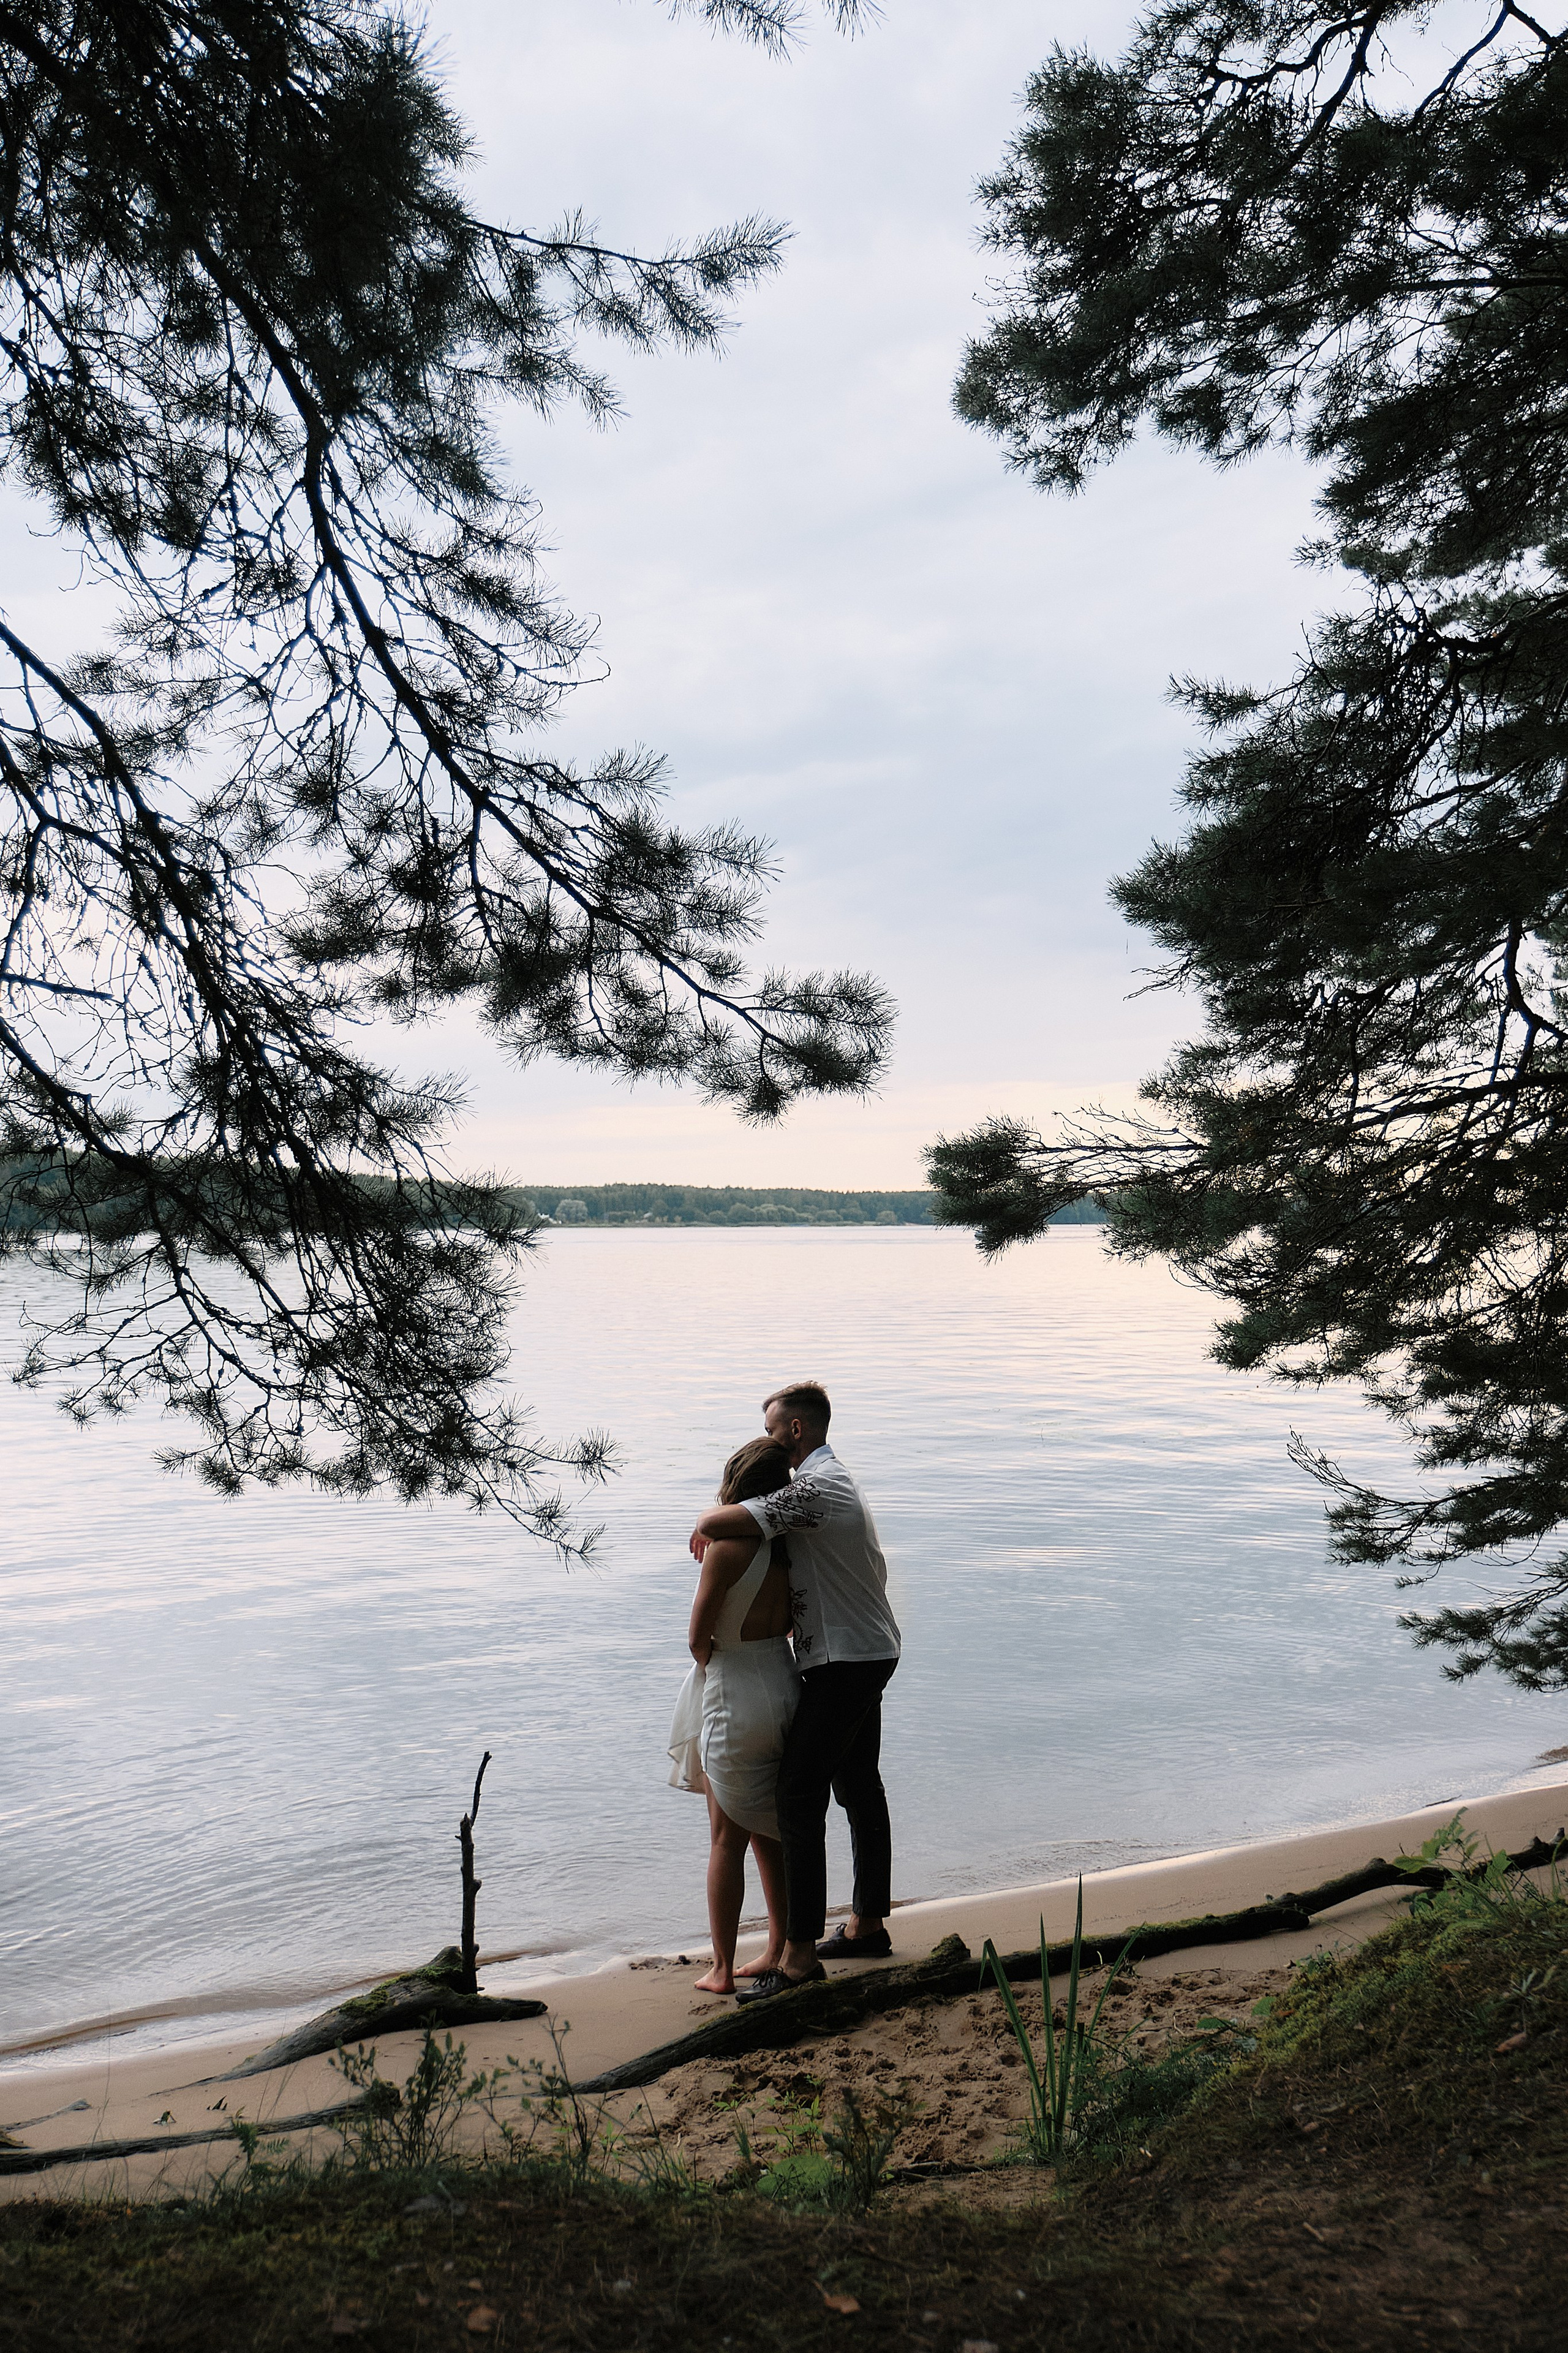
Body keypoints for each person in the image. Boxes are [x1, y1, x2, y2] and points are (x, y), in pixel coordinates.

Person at [688, 1381, 900, 2002]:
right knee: (858, 1785)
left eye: (775, 1430)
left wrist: (703, 1521)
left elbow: (727, 1518)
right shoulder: (825, 1486)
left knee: (797, 1798)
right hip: (863, 1649)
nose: (771, 1443)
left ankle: (800, 1956)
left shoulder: (816, 1485)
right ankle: (866, 1922)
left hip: (844, 1660)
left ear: (797, 1431)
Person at [668, 1436, 800, 1995]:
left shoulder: (724, 1550)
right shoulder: (795, 1543)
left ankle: (722, 1967)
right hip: (785, 1680)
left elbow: (698, 1639)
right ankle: (778, 1948)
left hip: (736, 1684)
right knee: (772, 1831)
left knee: (727, 1837)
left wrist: (716, 1663)